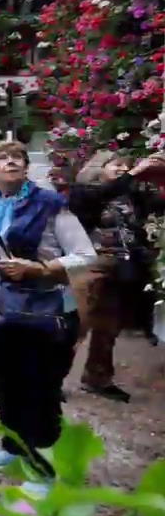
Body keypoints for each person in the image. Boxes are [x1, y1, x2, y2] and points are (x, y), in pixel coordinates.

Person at [0, 141, 96, 496]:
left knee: (41, 388)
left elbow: (85, 256)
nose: (11, 161)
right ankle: (12, 447)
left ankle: (43, 469)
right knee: (6, 382)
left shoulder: (50, 205)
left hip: (46, 310)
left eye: (17, 157)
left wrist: (40, 268)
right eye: (2, 158)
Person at [68, 150, 165, 402]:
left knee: (108, 326)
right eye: (118, 165)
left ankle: (98, 377)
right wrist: (133, 173)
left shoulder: (132, 194)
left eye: (128, 165)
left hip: (122, 267)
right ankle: (49, 379)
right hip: (90, 264)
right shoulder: (84, 190)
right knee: (76, 324)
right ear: (100, 165)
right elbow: (98, 198)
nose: (124, 169)